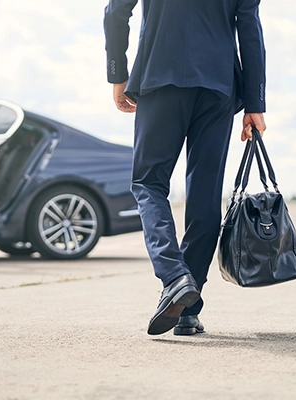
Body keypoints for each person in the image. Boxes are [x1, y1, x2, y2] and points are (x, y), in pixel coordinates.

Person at [104, 0, 267, 335]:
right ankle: (186, 310)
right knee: (205, 196)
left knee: (148, 183)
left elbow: (116, 11)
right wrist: (255, 102)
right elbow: (249, 27)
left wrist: (118, 74)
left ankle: (175, 277)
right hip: (219, 85)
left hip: (159, 75)